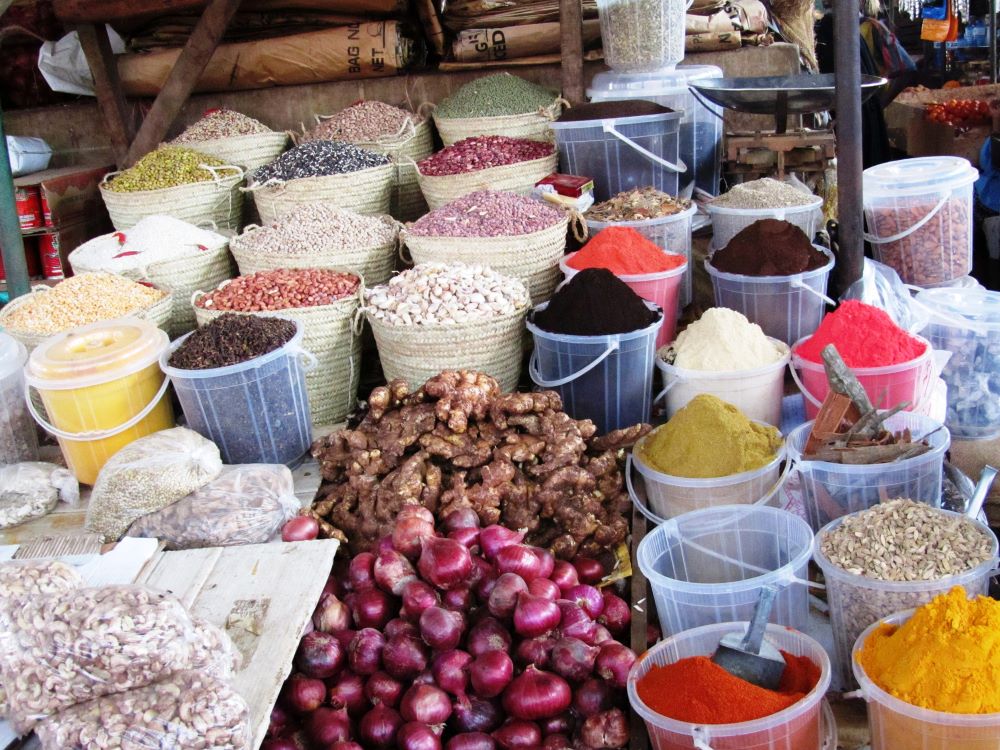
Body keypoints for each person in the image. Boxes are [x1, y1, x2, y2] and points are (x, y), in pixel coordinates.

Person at [815, 0, 917, 166]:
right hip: (846, 119)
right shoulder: (826, 28)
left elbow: (906, 68)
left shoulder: (872, 28)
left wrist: (877, 103)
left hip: (865, 116)